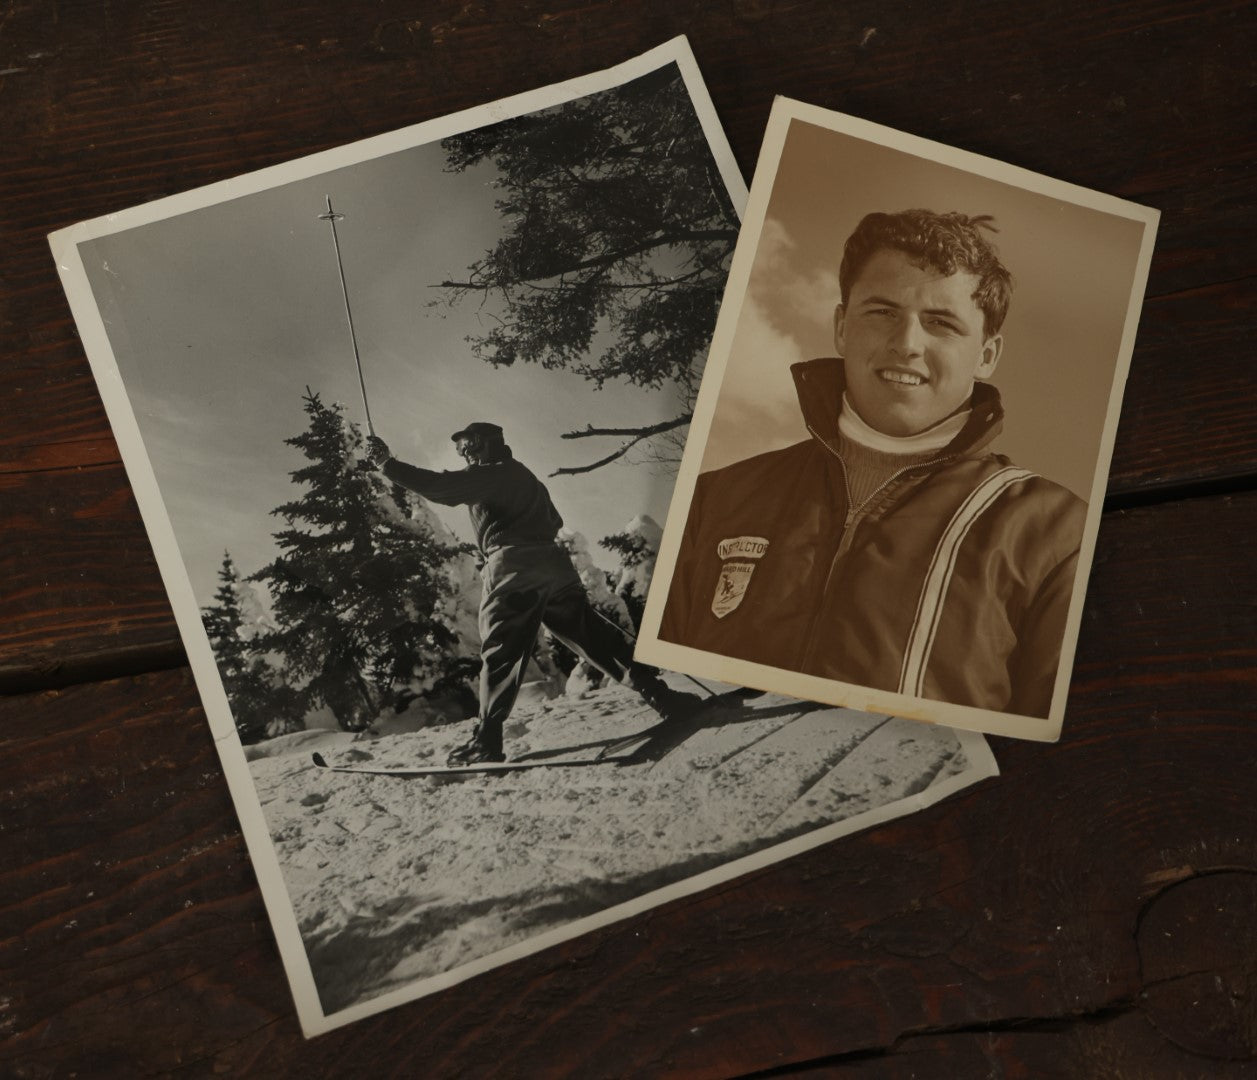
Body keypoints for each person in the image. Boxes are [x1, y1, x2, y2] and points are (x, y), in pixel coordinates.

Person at [659, 209, 1086, 719]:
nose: (906, 343)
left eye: (941, 323)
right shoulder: (714, 499)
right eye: (882, 312)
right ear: (842, 327)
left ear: (987, 355)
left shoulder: (1057, 535)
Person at [365, 421, 698, 764]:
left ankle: (488, 740)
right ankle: (663, 698)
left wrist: (387, 465)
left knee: (502, 649)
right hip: (554, 564)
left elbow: (440, 487)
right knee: (590, 634)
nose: (462, 454)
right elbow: (552, 519)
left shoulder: (490, 473)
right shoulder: (523, 476)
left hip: (514, 566)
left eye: (465, 446)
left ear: (483, 444)